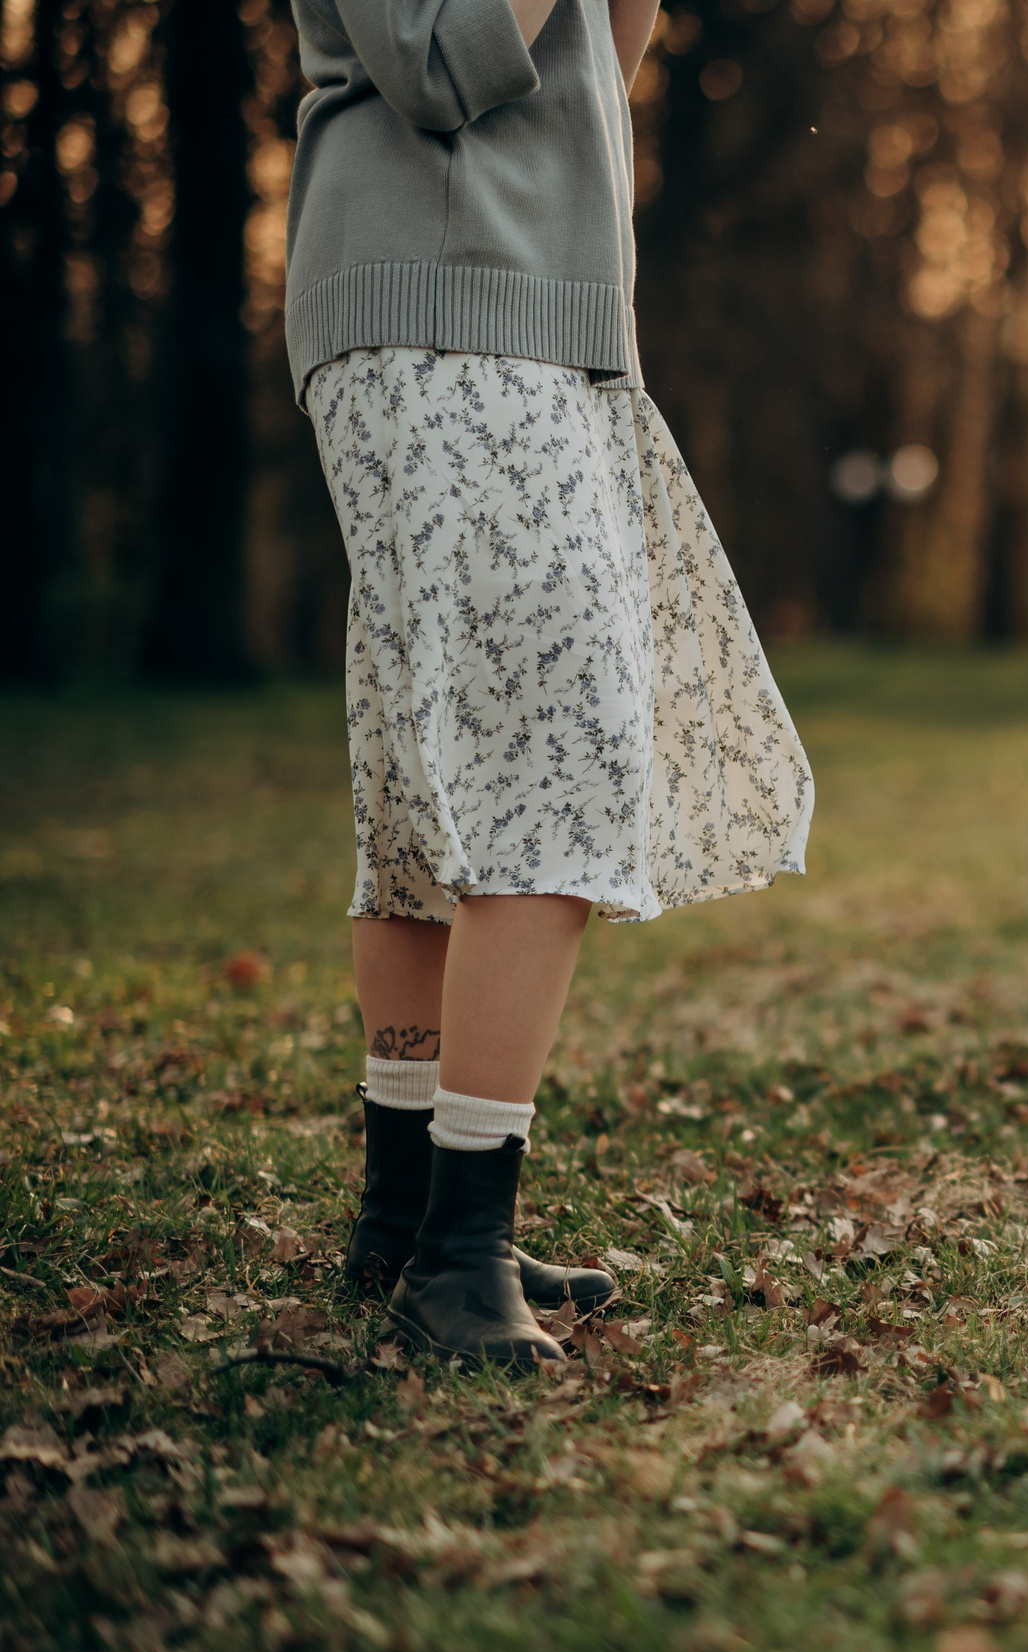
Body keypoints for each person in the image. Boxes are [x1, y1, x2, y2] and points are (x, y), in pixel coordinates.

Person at [285, 0, 816, 1363]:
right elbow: (438, 61)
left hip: (528, 312)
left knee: (430, 786)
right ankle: (458, 1253)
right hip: (443, 306)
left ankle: (416, 1218)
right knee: (553, 761)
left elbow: (587, 71)